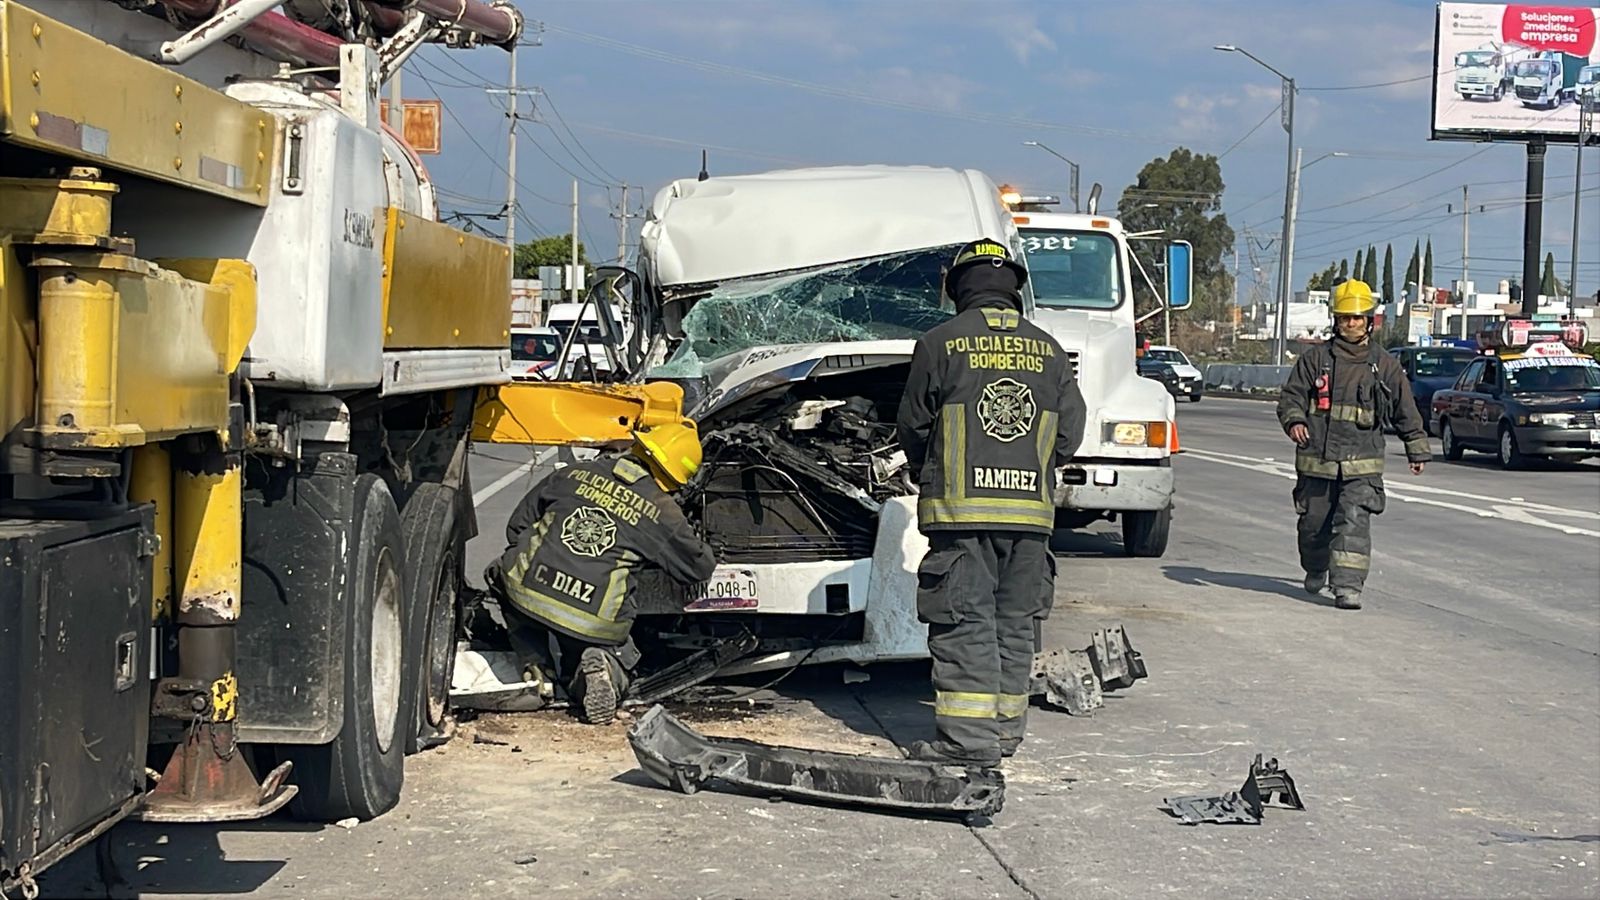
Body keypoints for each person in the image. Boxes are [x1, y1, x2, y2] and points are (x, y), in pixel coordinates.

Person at [896, 238, 1086, 767]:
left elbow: (913, 424)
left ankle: (967, 743)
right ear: (1014, 290)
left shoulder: (940, 343)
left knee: (965, 623)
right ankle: (1003, 732)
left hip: (962, 516)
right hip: (1030, 518)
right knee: (1014, 624)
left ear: (958, 288)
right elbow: (1070, 431)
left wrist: (925, 468)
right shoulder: (1048, 350)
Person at [492, 421, 717, 724]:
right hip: (592, 619)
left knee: (501, 573)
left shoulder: (572, 473)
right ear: (675, 477)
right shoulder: (662, 511)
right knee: (603, 649)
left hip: (529, 592)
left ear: (638, 447)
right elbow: (698, 568)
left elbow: (516, 527)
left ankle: (536, 667)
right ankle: (605, 667)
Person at [1276, 279, 1429, 610]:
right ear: (1336, 320)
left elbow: (1405, 408)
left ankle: (1347, 587)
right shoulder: (1315, 360)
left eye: (1357, 318)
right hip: (1318, 461)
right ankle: (1316, 567)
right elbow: (1291, 397)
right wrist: (1295, 420)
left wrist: (1415, 447)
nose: (1351, 324)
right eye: (1345, 318)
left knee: (1354, 522)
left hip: (1363, 463)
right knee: (1314, 526)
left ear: (1368, 321)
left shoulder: (1384, 364)